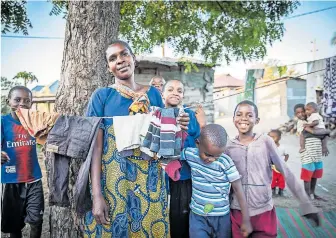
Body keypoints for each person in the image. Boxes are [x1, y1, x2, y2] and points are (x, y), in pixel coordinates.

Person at [83, 40, 190, 237]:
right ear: (109, 67)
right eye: (113, 58)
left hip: (150, 181)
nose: (120, 60)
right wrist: (97, 195)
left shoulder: (153, 95)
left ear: (134, 58)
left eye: (124, 54)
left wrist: (178, 125)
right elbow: (95, 149)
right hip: (113, 183)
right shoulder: (102, 96)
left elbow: (164, 139)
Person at [226, 100, 320, 238]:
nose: (243, 118)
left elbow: (286, 172)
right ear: (233, 119)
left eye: (249, 115)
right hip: (237, 211)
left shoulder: (265, 141)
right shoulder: (228, 146)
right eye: (239, 114)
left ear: (257, 120)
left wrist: (305, 203)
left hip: (263, 211)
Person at [179, 124, 252, 238]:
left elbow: (238, 189)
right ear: (198, 144)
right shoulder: (190, 154)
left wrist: (246, 219)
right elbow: (174, 152)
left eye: (217, 156)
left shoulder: (225, 162)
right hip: (198, 216)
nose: (212, 159)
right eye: (207, 155)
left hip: (221, 217)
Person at [161, 79, 206, 238]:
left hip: (184, 176)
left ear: (183, 96)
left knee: (181, 216)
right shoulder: (156, 114)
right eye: (170, 89)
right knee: (163, 214)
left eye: (179, 91)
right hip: (161, 177)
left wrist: (201, 125)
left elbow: (198, 141)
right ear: (163, 94)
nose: (175, 93)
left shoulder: (189, 115)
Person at [1, 86, 44, 238]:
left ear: (31, 103)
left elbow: (47, 138)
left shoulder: (35, 122)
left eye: (27, 100)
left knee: (36, 221)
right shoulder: (3, 122)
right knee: (14, 226)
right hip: (11, 181)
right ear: (9, 102)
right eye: (17, 100)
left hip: (34, 180)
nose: (22, 104)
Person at [294, 103, 328, 199]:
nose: (301, 114)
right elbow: (305, 134)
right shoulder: (301, 123)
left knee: (315, 172)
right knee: (307, 172)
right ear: (295, 115)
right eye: (298, 113)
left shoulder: (313, 119)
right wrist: (322, 133)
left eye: (303, 111)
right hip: (307, 150)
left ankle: (313, 193)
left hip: (317, 150)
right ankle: (307, 194)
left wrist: (324, 146)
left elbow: (324, 133)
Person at [268, 129, 289, 197]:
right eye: (270, 137)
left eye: (274, 137)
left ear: (279, 138)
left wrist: (284, 161)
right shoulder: (269, 147)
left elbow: (286, 155)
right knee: (273, 179)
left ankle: (281, 191)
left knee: (281, 179)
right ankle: (273, 190)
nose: (271, 139)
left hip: (281, 168)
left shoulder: (282, 147)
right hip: (272, 167)